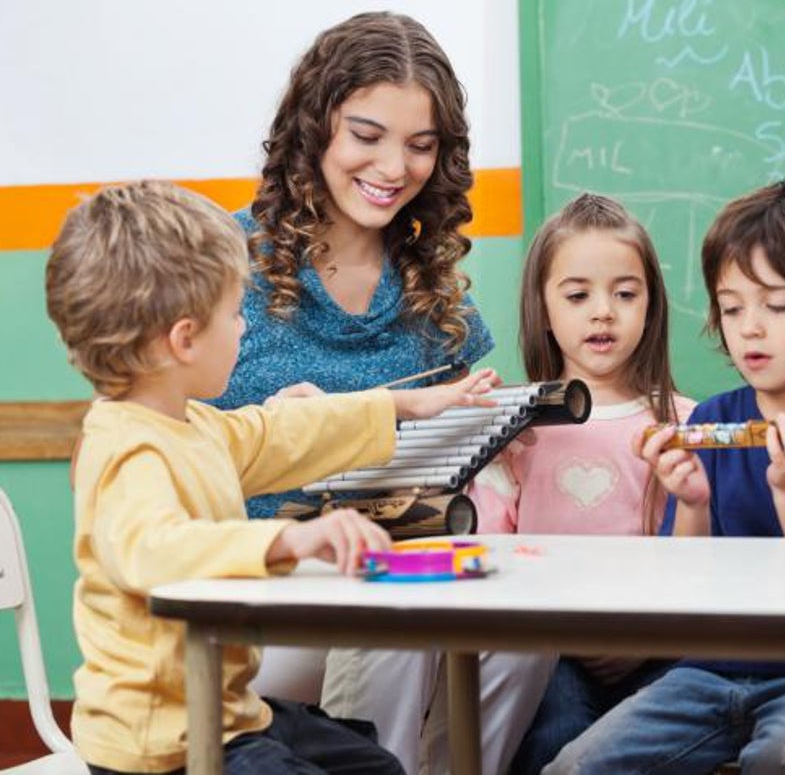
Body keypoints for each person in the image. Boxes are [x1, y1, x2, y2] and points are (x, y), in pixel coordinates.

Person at [44, 180, 501, 775]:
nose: (242, 328)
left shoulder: (193, 426)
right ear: (184, 340)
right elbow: (156, 550)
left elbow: (278, 433)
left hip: (228, 711)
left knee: (375, 766)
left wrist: (406, 405)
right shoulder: (127, 449)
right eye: (234, 314)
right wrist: (288, 539)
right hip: (164, 744)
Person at [209, 11, 519, 751]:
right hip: (254, 598)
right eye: (367, 136)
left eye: (420, 146)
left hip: (385, 585)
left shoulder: (436, 300)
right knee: (401, 624)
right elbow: (152, 456)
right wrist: (286, 437)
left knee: (523, 635)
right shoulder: (221, 266)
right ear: (316, 128)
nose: (392, 169)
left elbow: (454, 470)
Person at [548, 176, 785, 774]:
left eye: (775, 306)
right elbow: (684, 597)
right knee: (575, 766)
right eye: (730, 307)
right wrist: (691, 503)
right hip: (711, 669)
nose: (748, 326)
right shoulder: (714, 421)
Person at [463, 193, 695, 774]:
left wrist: (647, 640)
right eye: (577, 295)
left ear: (650, 306)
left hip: (661, 647)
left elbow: (706, 563)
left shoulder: (685, 425)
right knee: (554, 735)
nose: (603, 313)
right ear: (543, 308)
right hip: (547, 652)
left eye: (625, 293)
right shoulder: (513, 428)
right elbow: (486, 556)